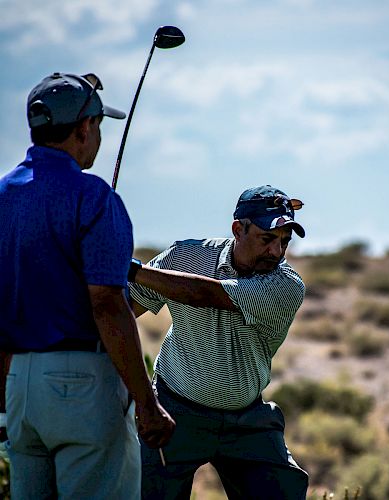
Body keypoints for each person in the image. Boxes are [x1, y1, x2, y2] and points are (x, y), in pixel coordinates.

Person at [0, 72, 175, 499]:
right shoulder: (93, 197)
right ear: (85, 128)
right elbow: (108, 305)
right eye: (98, 125)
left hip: (17, 384)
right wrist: (147, 406)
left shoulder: (3, 194)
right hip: (82, 387)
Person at [128, 185, 309, 499]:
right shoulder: (185, 257)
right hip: (173, 411)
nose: (276, 253)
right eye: (267, 239)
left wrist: (129, 269)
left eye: (284, 242)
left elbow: (205, 294)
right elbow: (126, 310)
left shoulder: (286, 285)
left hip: (248, 419)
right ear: (238, 229)